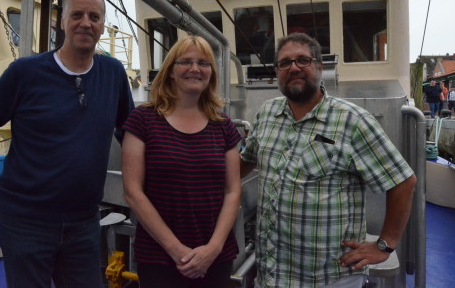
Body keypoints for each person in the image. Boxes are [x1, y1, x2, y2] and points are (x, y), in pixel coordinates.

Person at [0, 0, 134, 288]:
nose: (86, 22)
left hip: (83, 223)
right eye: (77, 14)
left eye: (94, 16)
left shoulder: (113, 73)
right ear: (60, 20)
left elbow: (131, 134)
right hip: (26, 223)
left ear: (103, 25)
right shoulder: (25, 73)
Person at [240, 33, 416, 287]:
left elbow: (403, 182)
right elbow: (246, 161)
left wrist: (384, 245)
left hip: (328, 278)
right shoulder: (266, 113)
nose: (294, 68)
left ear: (320, 67)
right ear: (277, 71)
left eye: (303, 60)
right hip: (271, 275)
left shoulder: (353, 120)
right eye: (285, 63)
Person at [121, 35, 242, 288]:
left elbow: (232, 191)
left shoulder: (224, 126)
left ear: (211, 72)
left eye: (203, 63)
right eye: (185, 61)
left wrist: (213, 248)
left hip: (215, 257)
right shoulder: (143, 120)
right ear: (171, 71)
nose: (195, 69)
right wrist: (176, 250)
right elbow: (133, 191)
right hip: (159, 258)